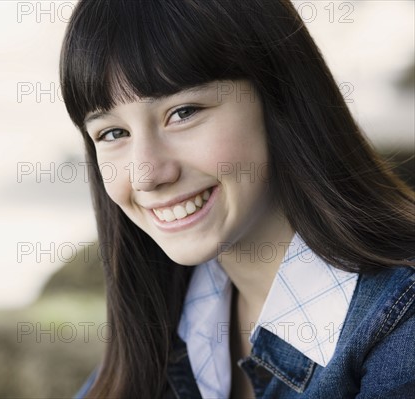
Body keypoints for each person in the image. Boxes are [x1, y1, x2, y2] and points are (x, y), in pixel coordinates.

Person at [58, 0, 415, 397]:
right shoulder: (163, 323)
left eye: (183, 112)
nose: (146, 175)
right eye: (112, 134)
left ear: (278, 93)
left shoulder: (401, 327)